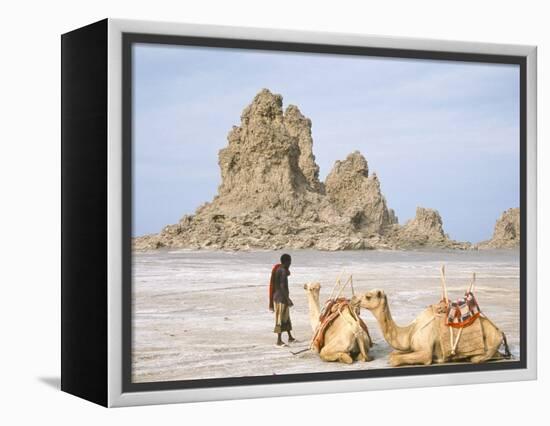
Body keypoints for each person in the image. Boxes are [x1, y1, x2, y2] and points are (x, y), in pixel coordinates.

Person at [271, 253, 295, 346]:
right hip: (281, 298)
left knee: (286, 317)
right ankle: (279, 341)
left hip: (279, 297)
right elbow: (282, 286)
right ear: (286, 262)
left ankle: (290, 336)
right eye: (290, 262)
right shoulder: (283, 271)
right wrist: (288, 299)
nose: (290, 264)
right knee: (280, 319)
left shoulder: (279, 269)